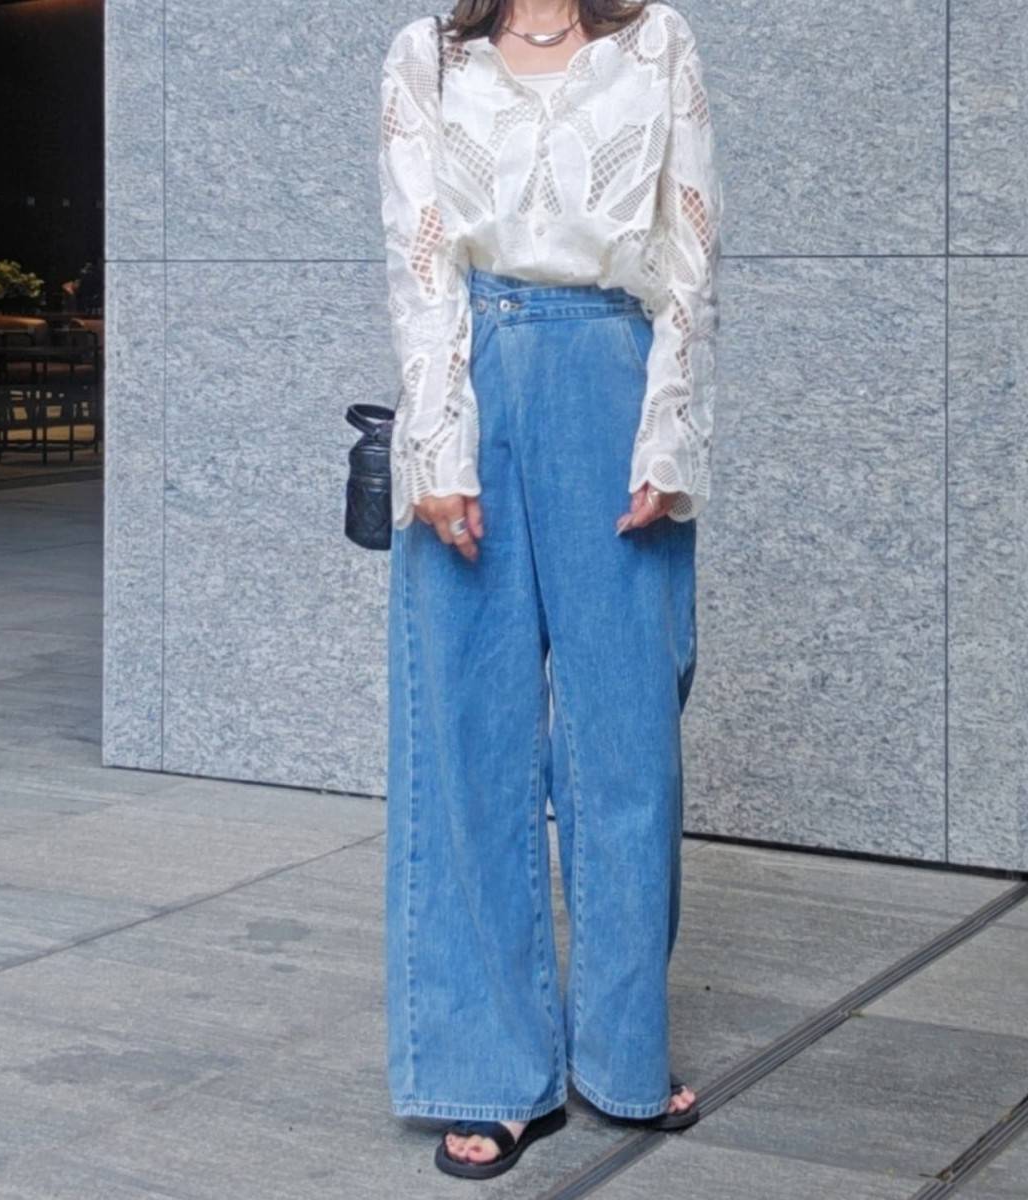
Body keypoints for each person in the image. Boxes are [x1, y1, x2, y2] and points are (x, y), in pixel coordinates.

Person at [376, 0, 723, 1179]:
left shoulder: (657, 41)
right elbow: (417, 250)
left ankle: (623, 1052)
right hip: (470, 374)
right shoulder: (427, 53)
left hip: (611, 377)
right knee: (468, 742)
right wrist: (438, 443)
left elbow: (690, 250)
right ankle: (489, 1068)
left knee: (627, 743)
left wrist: (667, 433)